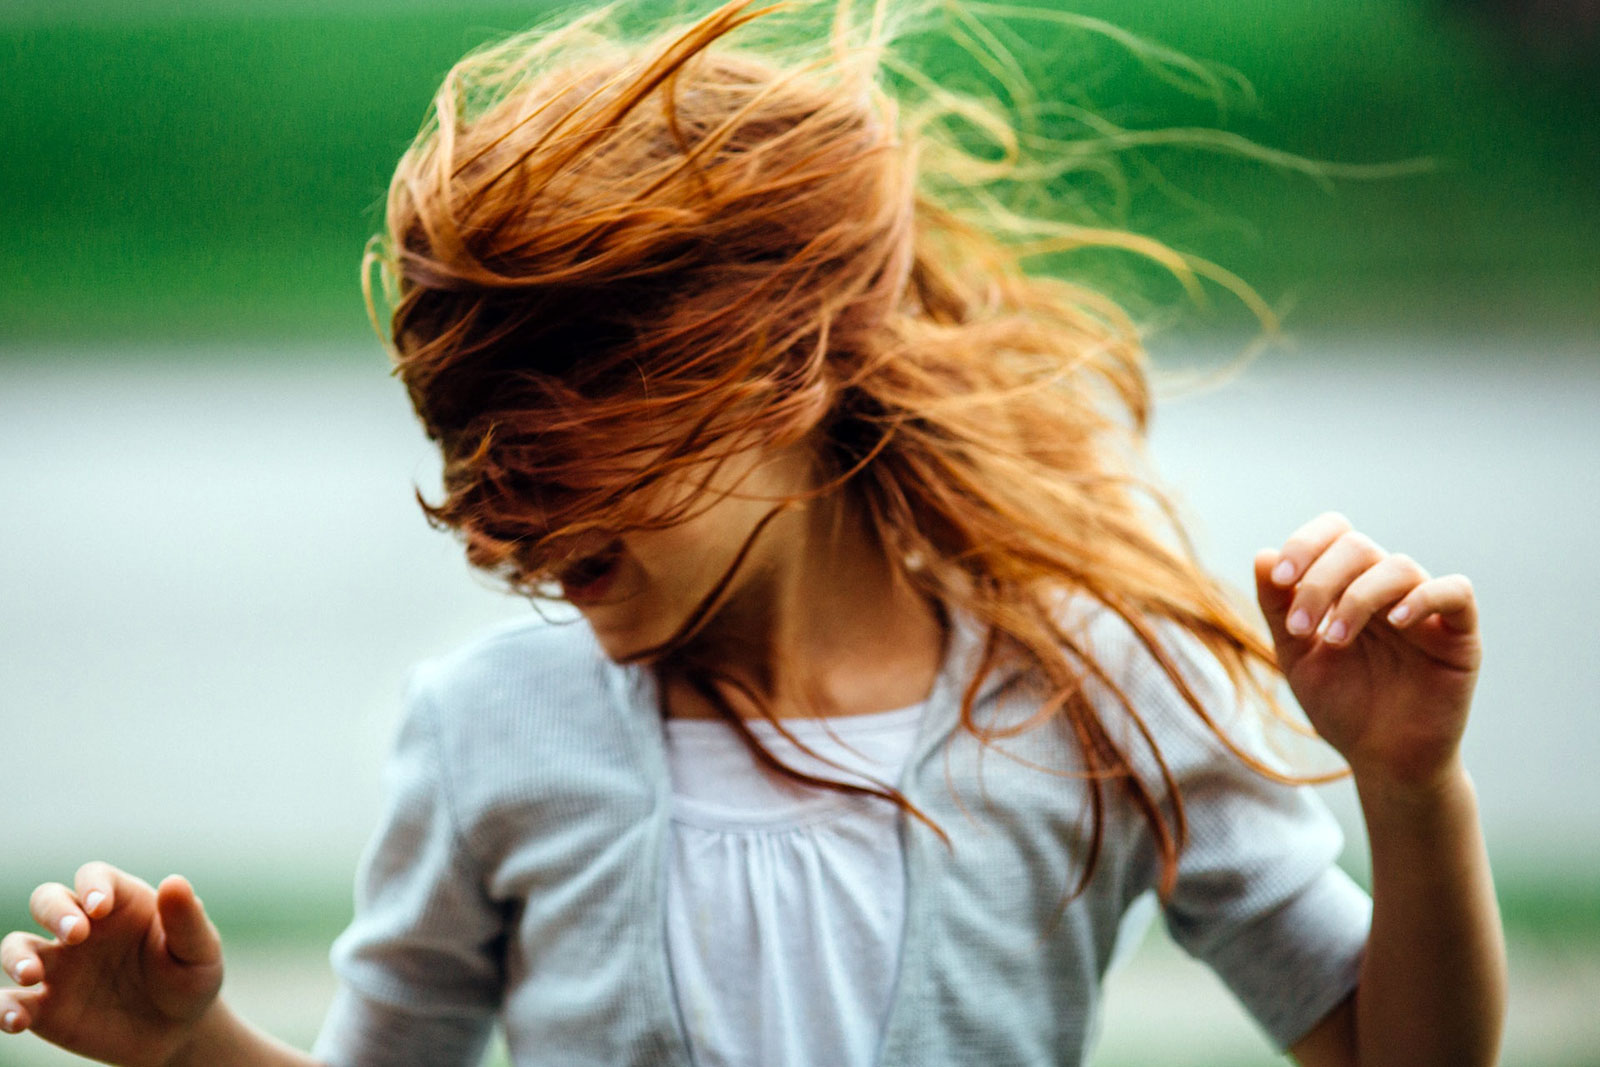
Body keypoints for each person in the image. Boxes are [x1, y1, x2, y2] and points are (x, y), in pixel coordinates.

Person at [0, 1, 1507, 1064]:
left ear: (793, 371)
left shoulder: (1094, 695)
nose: (496, 518)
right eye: (467, 449)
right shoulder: (483, 738)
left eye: (558, 442)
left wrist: (1409, 782)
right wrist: (190, 1049)